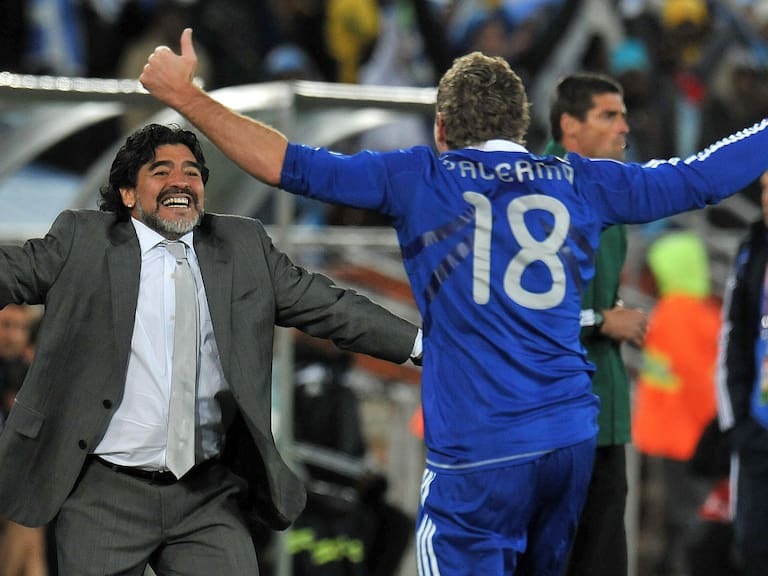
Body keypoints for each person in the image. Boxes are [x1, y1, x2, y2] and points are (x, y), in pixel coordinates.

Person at [140, 28, 768, 575]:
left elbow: (288, 165)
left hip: (480, 451)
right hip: (570, 440)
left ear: (442, 129)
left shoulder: (422, 177)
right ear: (520, 127)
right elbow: (700, 178)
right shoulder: (583, 178)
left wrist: (187, 98)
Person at [0, 123, 422, 575]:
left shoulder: (243, 248)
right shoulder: (82, 241)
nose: (180, 181)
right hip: (104, 494)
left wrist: (423, 346)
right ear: (127, 193)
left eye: (192, 172)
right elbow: (12, 271)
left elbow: (331, 307)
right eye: (161, 172)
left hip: (206, 495)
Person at [543, 73, 647, 576]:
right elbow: (527, 310)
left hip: (604, 416)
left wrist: (606, 309)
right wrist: (603, 319)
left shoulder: (606, 190)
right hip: (549, 421)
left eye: (623, 114)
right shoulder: (535, 194)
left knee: (603, 560)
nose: (623, 127)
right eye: (609, 115)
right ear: (570, 125)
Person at [633, 230, 721, 576]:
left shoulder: (673, 311)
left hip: (674, 435)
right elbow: (699, 380)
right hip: (684, 436)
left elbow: (691, 378)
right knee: (686, 521)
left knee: (683, 521)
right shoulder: (692, 312)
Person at [717, 168, 768, 576]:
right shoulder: (752, 250)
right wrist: (738, 422)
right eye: (765, 189)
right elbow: (732, 337)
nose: (767, 198)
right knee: (752, 548)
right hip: (759, 430)